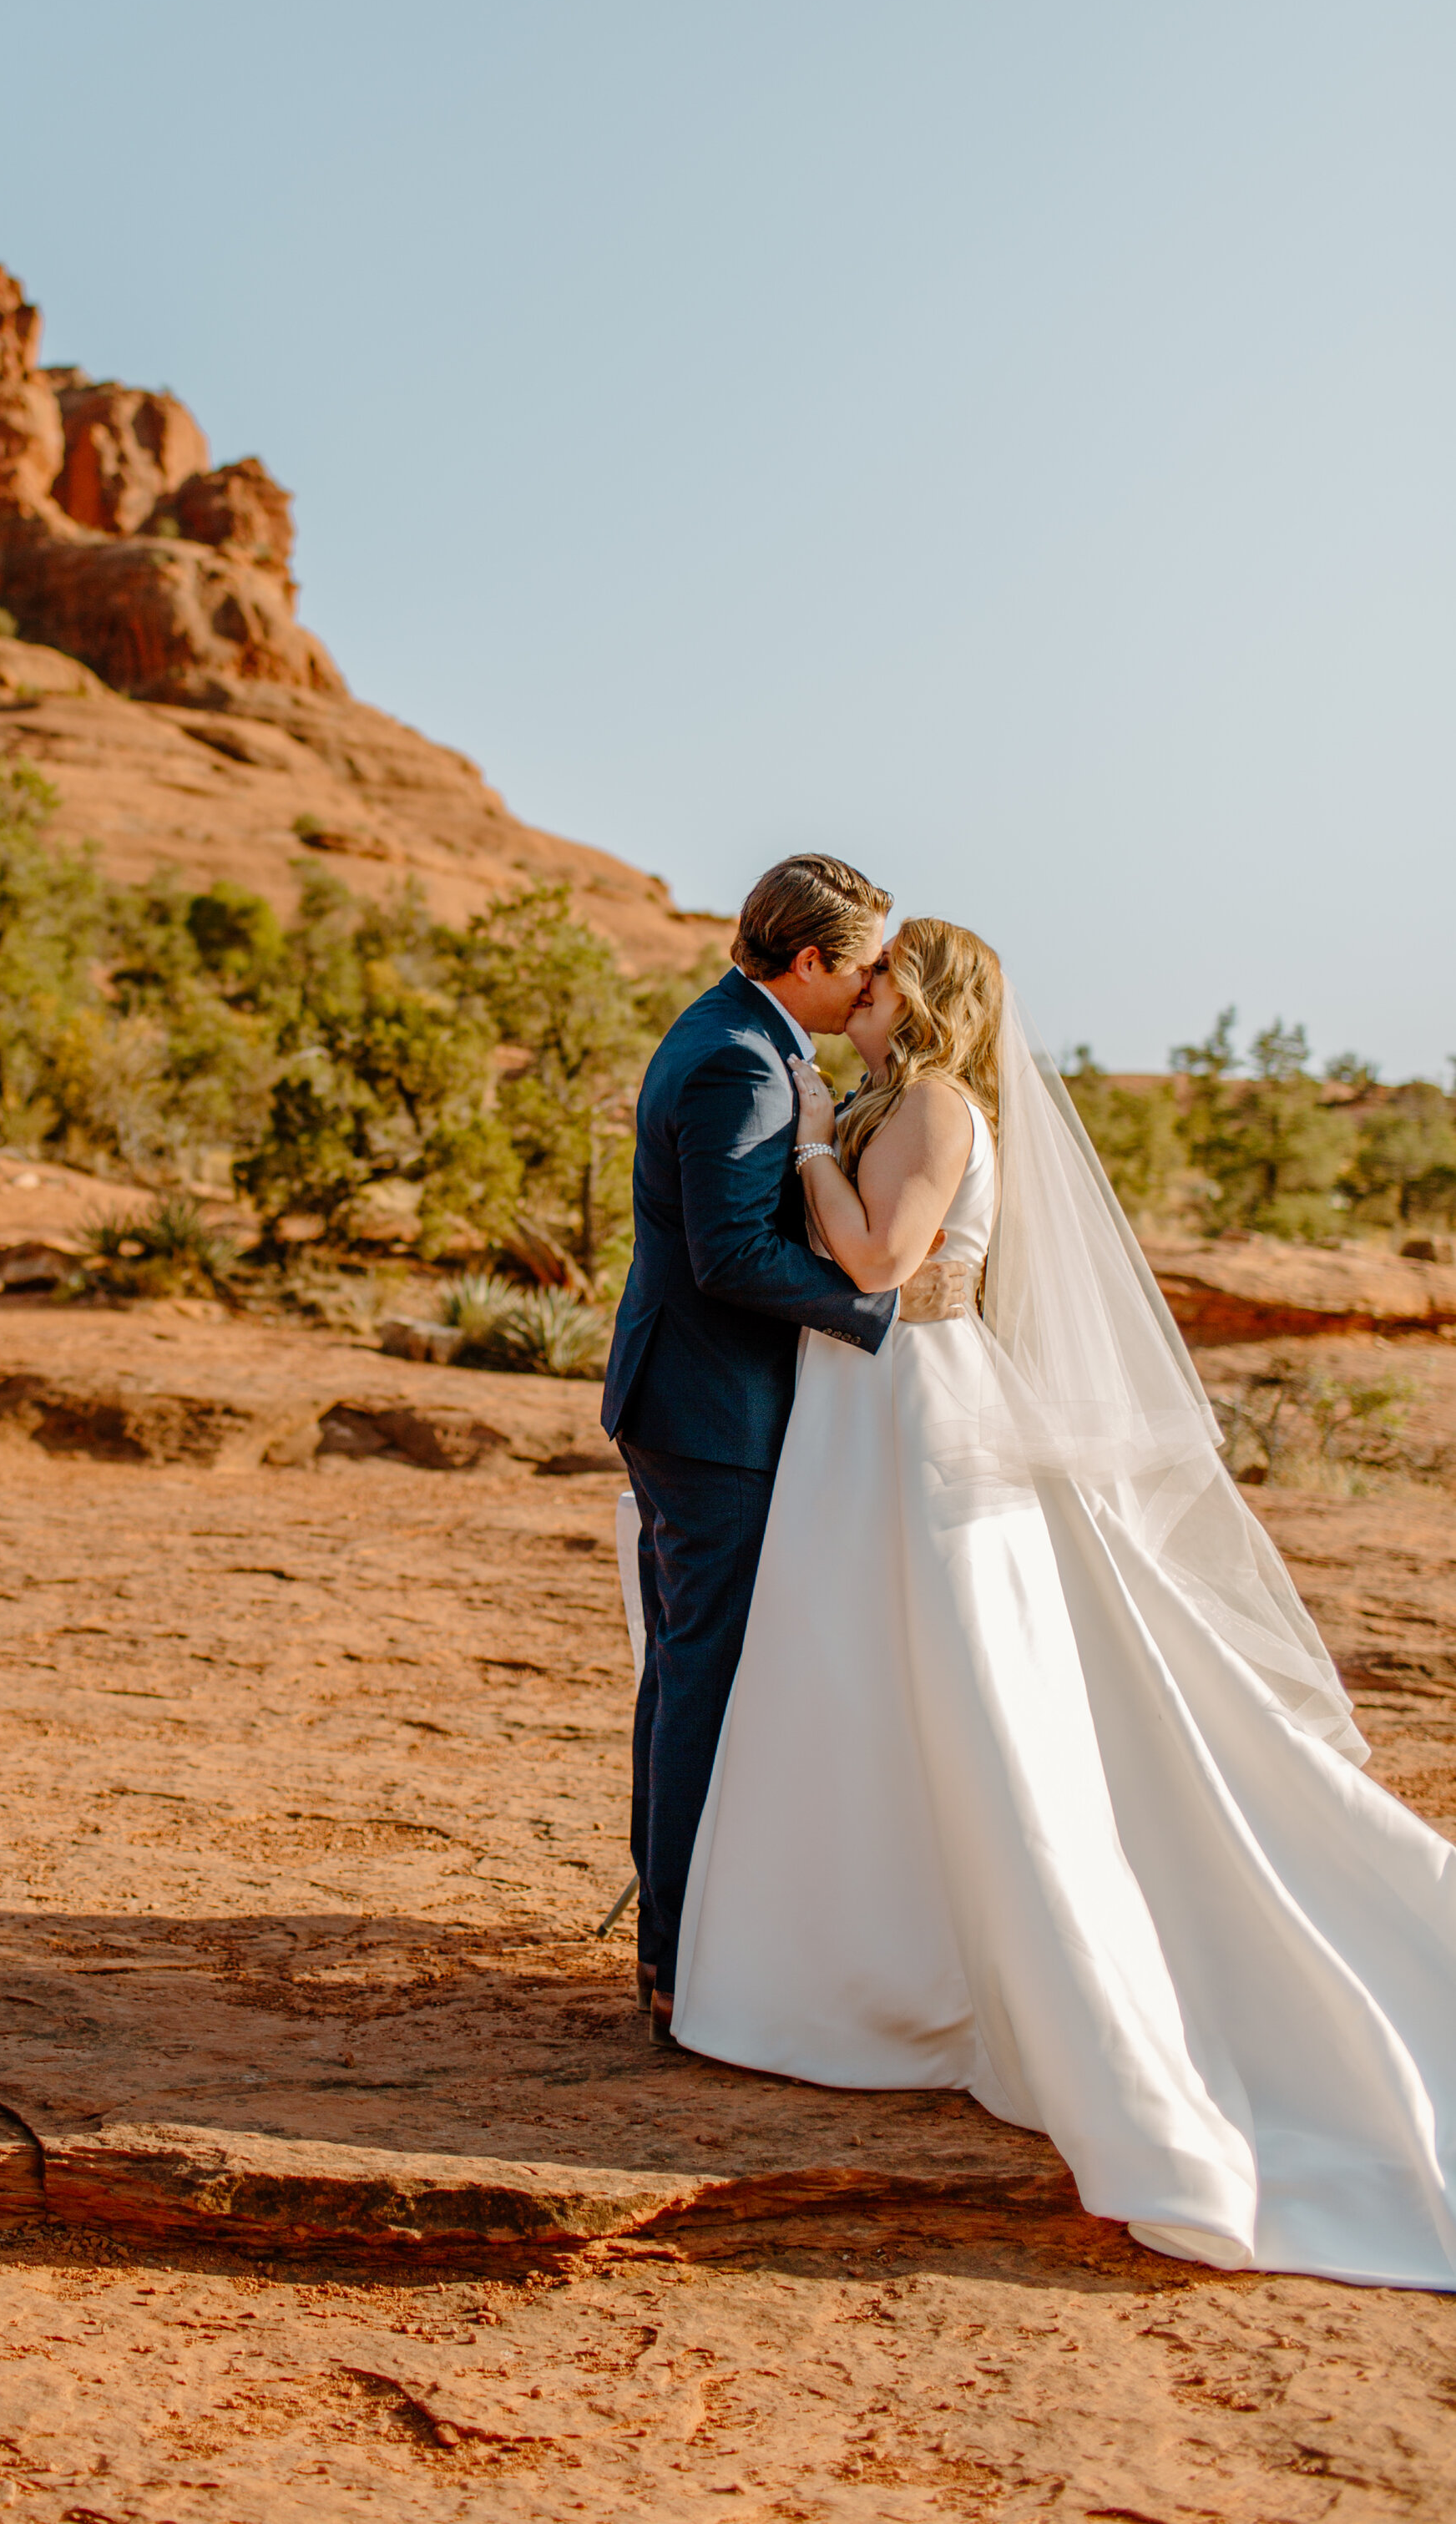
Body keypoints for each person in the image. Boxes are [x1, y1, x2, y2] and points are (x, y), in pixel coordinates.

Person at [671, 915, 1456, 2288]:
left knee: (958, 1674)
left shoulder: (929, 1100)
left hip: (916, 1403)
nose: (860, 989)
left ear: (918, 995)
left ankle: (957, 1976)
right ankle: (876, 1950)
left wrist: (803, 1143)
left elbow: (878, 1264)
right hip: (868, 1406)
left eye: (882, 971)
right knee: (865, 1673)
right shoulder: (899, 1095)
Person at [602, 853, 899, 2051]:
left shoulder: (745, 1034)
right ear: (813, 959)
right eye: (867, 958)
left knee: (684, 1668)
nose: (881, 977)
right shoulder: (736, 1057)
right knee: (703, 1678)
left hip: (691, 1396)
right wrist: (883, 1315)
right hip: (707, 1410)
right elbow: (730, 1255)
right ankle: (680, 1960)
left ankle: (678, 1938)